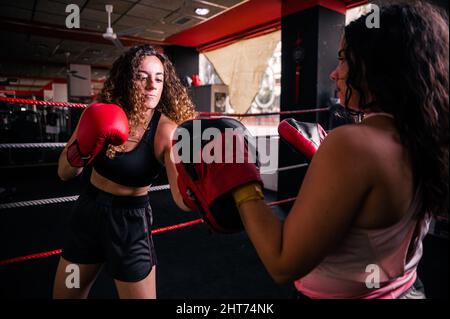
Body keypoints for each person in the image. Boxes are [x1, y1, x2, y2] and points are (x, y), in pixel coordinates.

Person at [175, 2, 448, 299]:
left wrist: (241, 182)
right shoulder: (426, 138)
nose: (334, 74)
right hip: (407, 289)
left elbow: (282, 263)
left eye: (343, 59)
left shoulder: (352, 145)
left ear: (378, 66)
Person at [53, 45, 194, 299]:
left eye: (159, 79)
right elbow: (65, 172)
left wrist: (209, 184)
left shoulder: (166, 131)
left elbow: (181, 199)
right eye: (142, 77)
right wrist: (83, 149)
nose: (152, 85)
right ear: (127, 80)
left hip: (130, 225)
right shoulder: (98, 113)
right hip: (88, 212)